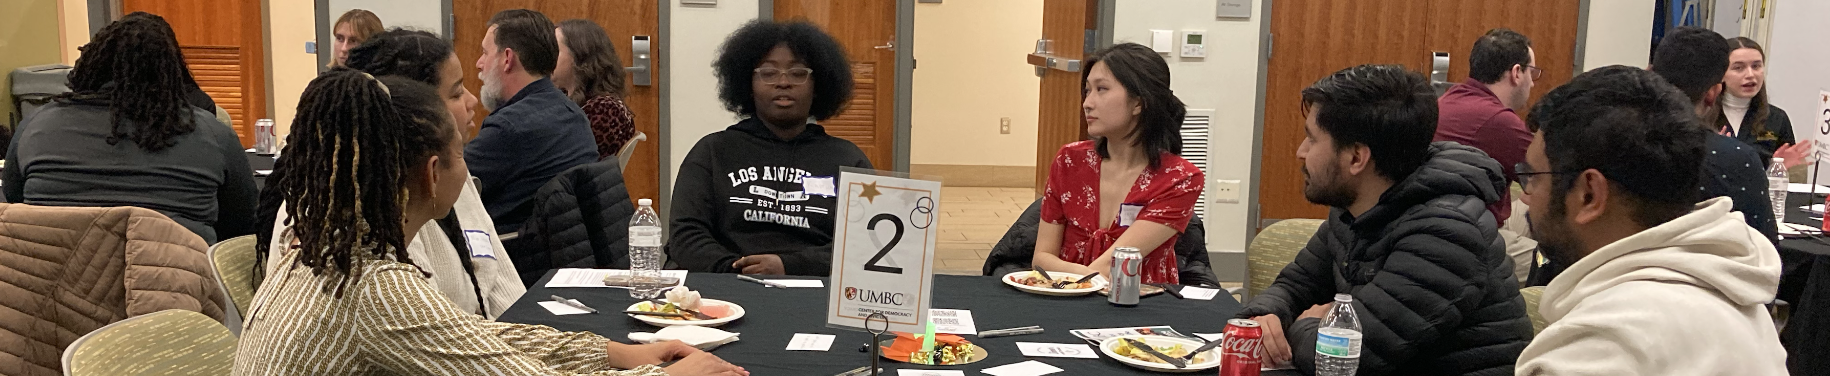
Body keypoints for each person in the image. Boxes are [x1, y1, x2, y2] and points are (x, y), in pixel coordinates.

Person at [232, 70, 748, 376]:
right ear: (433, 174)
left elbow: (476, 337)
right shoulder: (373, 287)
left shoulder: (327, 247)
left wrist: (620, 354)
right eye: (461, 154)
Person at [1235, 65, 1531, 376]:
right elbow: (1297, 285)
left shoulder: (1447, 234)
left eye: (1311, 139)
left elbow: (1345, 360)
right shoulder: (1356, 207)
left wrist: (1305, 324)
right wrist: (1264, 317)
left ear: (1356, 158)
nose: (1300, 152)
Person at [1513, 65, 1786, 375]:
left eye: (1533, 177)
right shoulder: (1740, 297)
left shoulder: (1598, 349)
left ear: (1589, 194)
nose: (1526, 196)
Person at [254, 28, 525, 319]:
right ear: (416, 111)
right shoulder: (351, 214)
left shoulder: (448, 170)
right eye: (457, 91)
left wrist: (537, 338)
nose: (472, 101)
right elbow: (433, 333)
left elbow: (505, 288)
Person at [2, 12, 257, 244]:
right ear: (171, 71)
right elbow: (241, 225)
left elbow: (15, 202)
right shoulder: (212, 134)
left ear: (91, 65)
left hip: (51, 286)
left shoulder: (34, 127)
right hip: (175, 286)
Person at [668, 20, 871, 276]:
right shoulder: (712, 151)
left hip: (817, 294)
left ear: (817, 86)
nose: (783, 82)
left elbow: (865, 244)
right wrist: (737, 270)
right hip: (727, 289)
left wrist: (789, 266)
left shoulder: (849, 160)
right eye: (768, 72)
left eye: (798, 73)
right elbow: (685, 236)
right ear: (748, 85)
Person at [1031, 43, 1204, 284]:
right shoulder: (1070, 160)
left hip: (1141, 305)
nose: (1087, 103)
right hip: (1063, 297)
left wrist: (1069, 274)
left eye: (1101, 89)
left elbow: (1112, 266)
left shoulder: (1180, 178)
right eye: (1087, 90)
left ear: (1138, 103)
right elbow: (1041, 258)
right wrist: (1076, 280)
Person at [469, 9, 598, 234]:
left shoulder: (509, 128)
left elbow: (439, 186)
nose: (479, 63)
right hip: (562, 252)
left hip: (512, 256)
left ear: (507, 59)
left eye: (484, 53)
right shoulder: (572, 112)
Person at [1433, 28, 1539, 285]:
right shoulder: (1499, 122)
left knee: (1525, 207)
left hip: (1439, 222)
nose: (1533, 83)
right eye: (1532, 73)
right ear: (1516, 73)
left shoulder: (1448, 100)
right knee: (1553, 258)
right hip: (1467, 237)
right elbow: (1548, 177)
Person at [1718, 36, 1810, 168]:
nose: (1750, 74)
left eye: (1756, 66)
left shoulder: (1777, 118)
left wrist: (1777, 167)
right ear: (1721, 74)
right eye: (1738, 68)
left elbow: (1784, 176)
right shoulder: (1701, 115)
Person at [555, 19, 638, 160]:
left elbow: (566, 161)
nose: (545, 58)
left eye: (555, 51)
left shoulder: (606, 110)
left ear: (580, 57)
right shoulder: (564, 98)